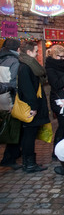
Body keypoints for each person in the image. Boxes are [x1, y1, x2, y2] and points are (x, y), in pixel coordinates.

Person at [17, 41, 50, 173]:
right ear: (29, 52)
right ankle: (29, 164)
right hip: (30, 108)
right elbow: (28, 89)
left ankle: (29, 162)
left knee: (29, 135)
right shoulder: (26, 67)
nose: (37, 54)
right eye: (36, 51)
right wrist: (33, 107)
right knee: (29, 136)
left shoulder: (28, 65)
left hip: (32, 106)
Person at [45, 44, 64, 160]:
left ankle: (60, 150)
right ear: (53, 55)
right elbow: (56, 84)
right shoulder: (50, 68)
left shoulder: (62, 65)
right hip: (58, 99)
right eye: (60, 57)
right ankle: (56, 151)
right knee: (62, 125)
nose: (63, 59)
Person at [0, 38, 21, 169]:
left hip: (1, 98)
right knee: (13, 128)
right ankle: (9, 157)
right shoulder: (14, 61)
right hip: (9, 98)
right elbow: (14, 82)